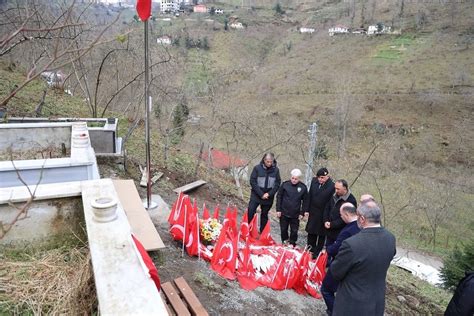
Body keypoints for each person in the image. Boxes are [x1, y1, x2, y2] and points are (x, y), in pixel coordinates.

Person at [330, 201, 396, 316]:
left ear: (362, 219)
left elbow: (336, 272)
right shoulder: (390, 238)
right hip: (376, 301)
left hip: (352, 304)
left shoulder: (351, 244)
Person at [320, 202, 361, 315]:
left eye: (341, 215)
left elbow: (336, 248)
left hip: (342, 263)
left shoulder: (348, 230)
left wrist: (327, 250)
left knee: (326, 289)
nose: (341, 217)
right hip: (357, 265)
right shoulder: (362, 225)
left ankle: (334, 311)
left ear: (347, 214)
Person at [305, 167, 335, 258]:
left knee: (321, 234)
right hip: (313, 211)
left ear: (327, 176)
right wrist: (306, 210)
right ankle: (310, 249)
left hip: (323, 213)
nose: (320, 179)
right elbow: (309, 196)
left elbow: (330, 202)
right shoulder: (314, 181)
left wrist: (328, 216)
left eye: (322, 177)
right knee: (311, 232)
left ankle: (317, 253)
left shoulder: (332, 186)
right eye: (319, 177)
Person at [248, 153, 281, 232]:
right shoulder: (257, 168)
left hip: (268, 196)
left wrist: (269, 194)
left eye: (271, 162)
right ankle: (249, 229)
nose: (269, 163)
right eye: (268, 162)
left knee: (264, 214)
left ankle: (262, 232)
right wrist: (261, 194)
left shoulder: (276, 170)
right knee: (251, 211)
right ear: (264, 160)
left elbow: (277, 184)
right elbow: (253, 182)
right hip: (256, 194)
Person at [276, 169, 309, 247]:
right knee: (283, 229)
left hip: (295, 213)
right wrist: (278, 210)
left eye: (296, 179)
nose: (294, 180)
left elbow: (305, 201)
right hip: (284, 212)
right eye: (292, 178)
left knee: (294, 231)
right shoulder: (285, 185)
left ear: (299, 179)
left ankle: (292, 243)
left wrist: (302, 213)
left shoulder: (303, 187)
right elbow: (279, 197)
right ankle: (284, 241)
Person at [323, 179, 357, 251]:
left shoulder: (351, 200)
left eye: (338, 189)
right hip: (329, 231)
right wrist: (325, 220)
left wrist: (332, 224)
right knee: (328, 249)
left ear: (345, 188)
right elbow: (327, 207)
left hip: (340, 232)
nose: (336, 190)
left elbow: (348, 217)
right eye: (335, 188)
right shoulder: (333, 195)